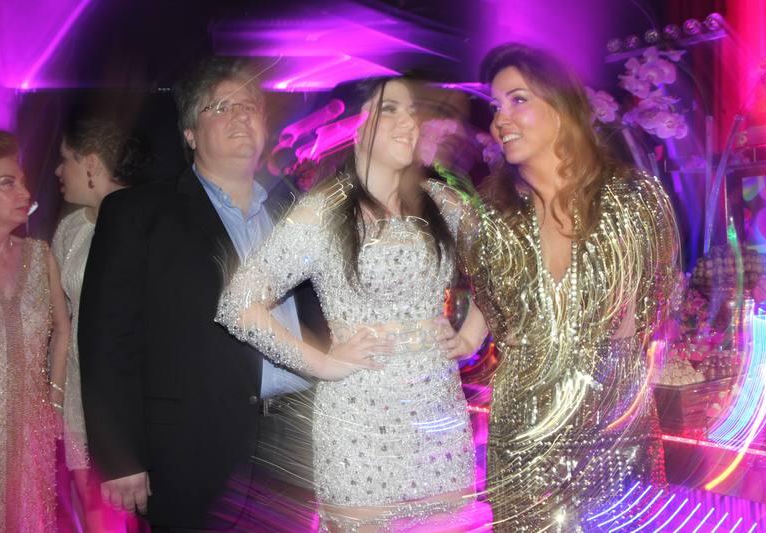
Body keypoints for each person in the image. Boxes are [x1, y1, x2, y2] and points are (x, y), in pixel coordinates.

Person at [216, 76, 489, 532]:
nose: (409, 121)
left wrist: (472, 335)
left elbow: (506, 272)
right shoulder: (324, 212)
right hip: (358, 421)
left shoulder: (442, 204)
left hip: (437, 419)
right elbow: (239, 304)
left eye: (412, 111)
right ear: (354, 129)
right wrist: (322, 363)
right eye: (390, 109)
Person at [429, 42, 680, 530]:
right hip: (526, 430)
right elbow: (491, 291)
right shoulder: (493, 216)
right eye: (496, 106)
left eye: (518, 100)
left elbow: (654, 304)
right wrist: (466, 337)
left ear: (562, 107)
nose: (500, 119)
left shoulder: (632, 200)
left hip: (612, 430)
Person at [78, 57, 308, 530]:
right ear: (189, 133)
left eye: (250, 106)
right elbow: (107, 339)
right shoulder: (139, 213)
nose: (240, 115)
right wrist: (119, 455)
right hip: (191, 448)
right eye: (220, 107)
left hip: (294, 442)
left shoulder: (298, 212)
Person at [52, 118, 147, 529]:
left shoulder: (146, 221)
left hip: (129, 393)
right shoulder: (70, 230)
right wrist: (56, 396)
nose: (58, 171)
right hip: (80, 389)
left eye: (65, 159)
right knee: (95, 514)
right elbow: (60, 322)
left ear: (91, 163)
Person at [0, 130, 70, 532]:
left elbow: (63, 332)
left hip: (32, 431)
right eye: (7, 183)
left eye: (21, 181)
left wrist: (54, 402)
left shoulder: (39, 256)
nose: (24, 192)